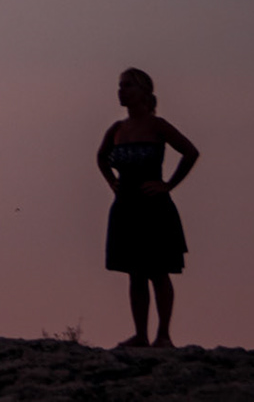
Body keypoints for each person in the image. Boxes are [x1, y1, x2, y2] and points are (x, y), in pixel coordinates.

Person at [97, 67, 198, 347]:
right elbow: (101, 157)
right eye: (120, 85)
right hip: (126, 207)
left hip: (153, 207)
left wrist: (168, 184)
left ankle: (163, 334)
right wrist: (111, 181)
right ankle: (140, 334)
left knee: (159, 270)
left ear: (144, 92)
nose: (122, 90)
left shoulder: (158, 126)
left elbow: (190, 152)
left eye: (128, 85)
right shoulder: (116, 130)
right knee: (135, 273)